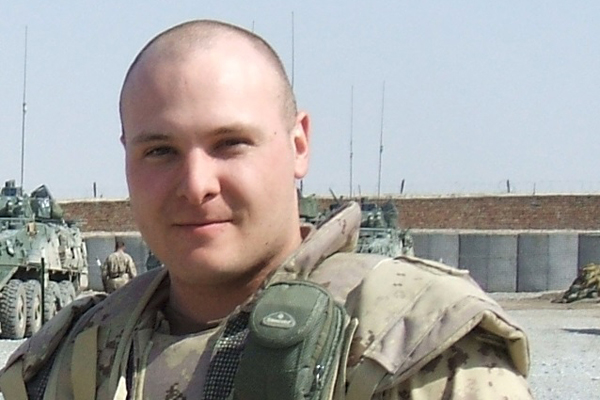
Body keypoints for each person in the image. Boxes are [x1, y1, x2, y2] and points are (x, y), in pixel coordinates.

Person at [0, 20, 533, 399]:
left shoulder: (408, 348)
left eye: (230, 143)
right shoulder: (70, 358)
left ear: (298, 145)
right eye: (160, 150)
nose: (196, 184)